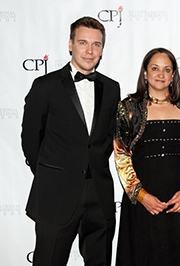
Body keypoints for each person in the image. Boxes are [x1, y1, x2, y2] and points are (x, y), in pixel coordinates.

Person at [21, 16, 120, 266]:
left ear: (102, 49)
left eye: (96, 44)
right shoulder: (45, 86)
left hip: (99, 194)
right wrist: (51, 173)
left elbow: (108, 138)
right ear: (70, 44)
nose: (89, 50)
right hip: (56, 193)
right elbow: (31, 138)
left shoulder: (111, 88)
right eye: (83, 42)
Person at [113, 47, 180, 266]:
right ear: (145, 73)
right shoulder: (128, 108)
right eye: (155, 68)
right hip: (143, 202)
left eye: (167, 69)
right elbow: (121, 154)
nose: (160, 74)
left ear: (173, 75)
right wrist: (141, 195)